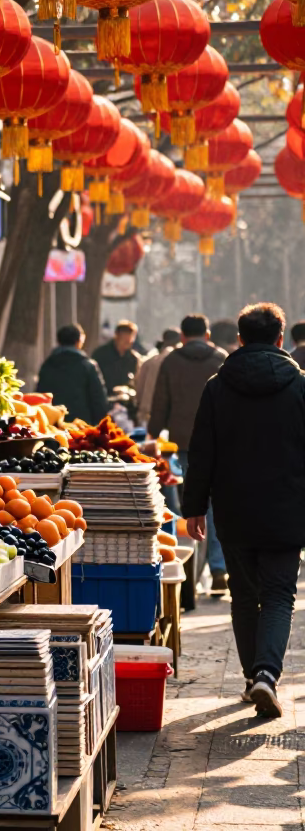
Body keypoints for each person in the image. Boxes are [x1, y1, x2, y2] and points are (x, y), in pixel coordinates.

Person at [182, 303, 305, 719]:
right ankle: (267, 674)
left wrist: (194, 507)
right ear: (280, 338)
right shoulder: (300, 386)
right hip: (288, 507)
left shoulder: (217, 387)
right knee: (278, 595)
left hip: (233, 508)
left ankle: (254, 677)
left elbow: (201, 454)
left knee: (243, 594)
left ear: (239, 339)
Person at [148, 314, 229, 594]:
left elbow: (161, 401)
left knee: (189, 506)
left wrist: (153, 432)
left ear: (183, 336)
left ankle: (188, 573)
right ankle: (218, 568)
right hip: (220, 442)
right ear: (206, 335)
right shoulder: (221, 357)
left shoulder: (171, 361)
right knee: (216, 504)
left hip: (184, 441)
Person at [37, 324, 108, 423]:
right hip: (81, 425)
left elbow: (40, 396)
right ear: (79, 341)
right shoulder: (87, 366)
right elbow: (98, 400)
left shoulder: (48, 365)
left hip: (52, 425)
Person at [134, 328, 181, 428]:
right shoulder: (181, 363)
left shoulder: (148, 363)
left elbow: (139, 392)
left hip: (147, 416)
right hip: (172, 418)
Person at [92, 320, 141, 394]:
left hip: (125, 400)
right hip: (103, 398)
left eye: (129, 341)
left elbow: (135, 382)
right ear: (117, 336)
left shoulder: (133, 358)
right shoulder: (100, 354)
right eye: (124, 340)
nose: (127, 343)